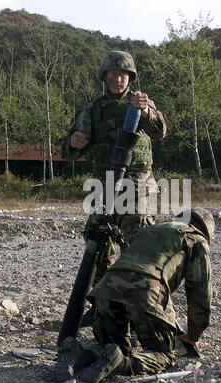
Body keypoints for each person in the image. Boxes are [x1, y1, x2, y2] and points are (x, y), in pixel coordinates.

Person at [61, 51, 167, 325]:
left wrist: (145, 111)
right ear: (105, 79)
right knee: (98, 248)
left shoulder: (141, 103)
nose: (118, 80)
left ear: (129, 78)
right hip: (104, 184)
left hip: (137, 186)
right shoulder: (93, 110)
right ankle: (101, 307)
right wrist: (75, 142)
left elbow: (160, 131)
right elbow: (69, 149)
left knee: (139, 248)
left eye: (123, 75)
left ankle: (145, 308)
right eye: (112, 76)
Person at [54, 208, 214, 383]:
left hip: (106, 289)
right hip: (145, 288)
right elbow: (200, 295)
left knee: (112, 345)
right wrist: (193, 335)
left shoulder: (152, 230)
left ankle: (76, 354)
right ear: (206, 231)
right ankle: (122, 363)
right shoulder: (196, 239)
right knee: (164, 354)